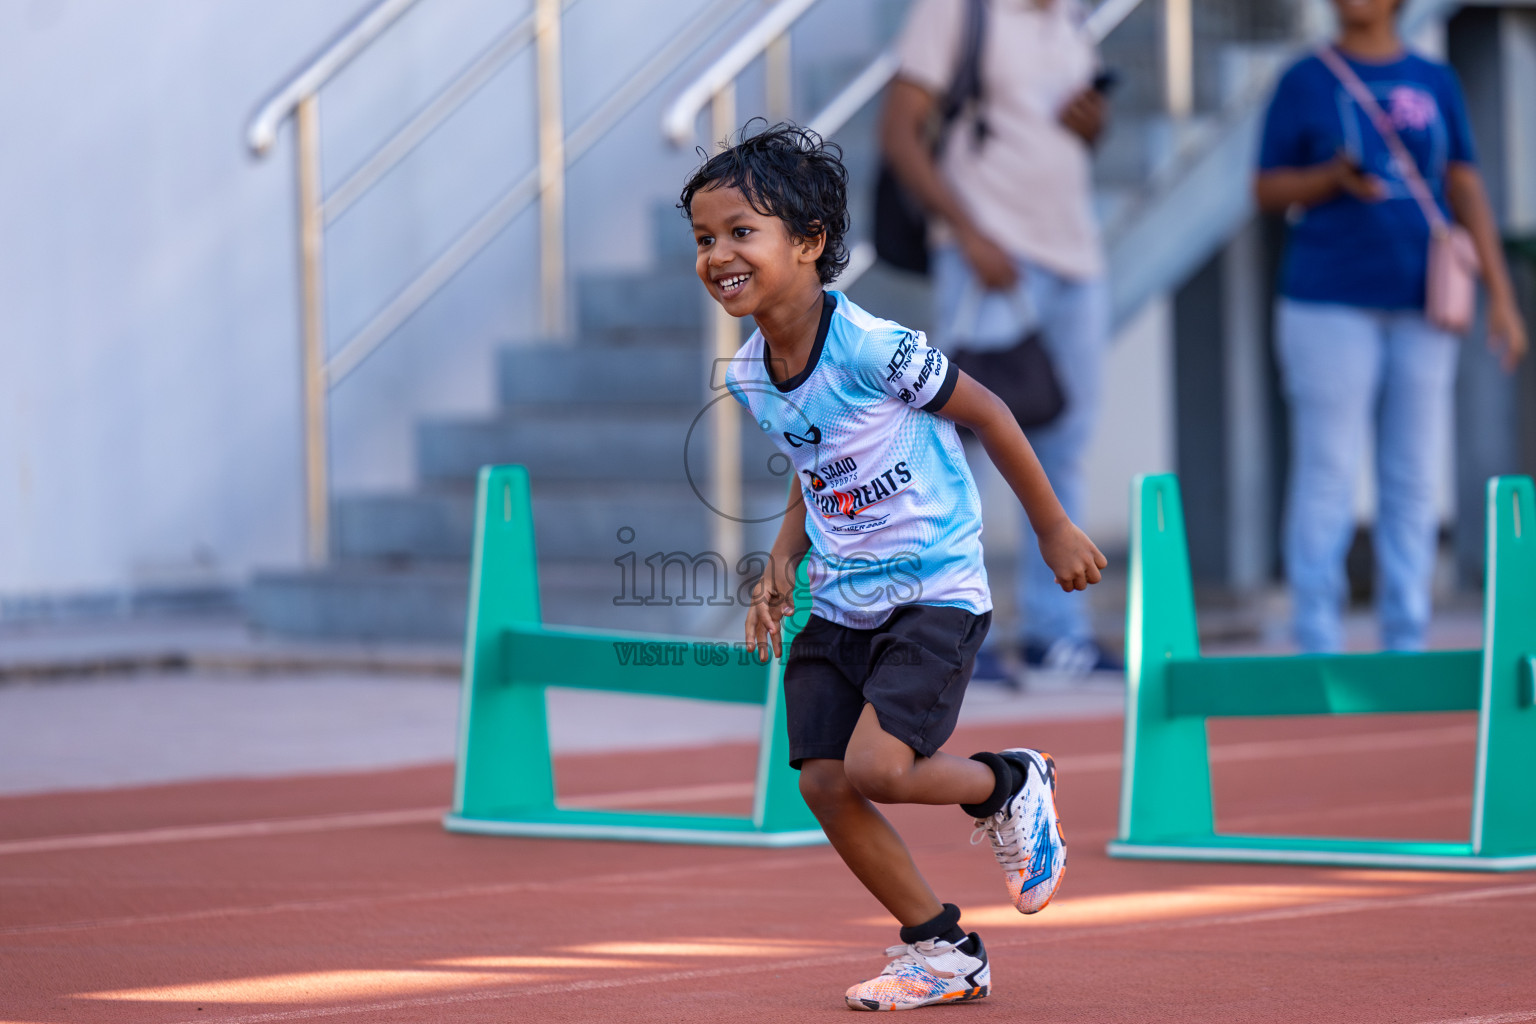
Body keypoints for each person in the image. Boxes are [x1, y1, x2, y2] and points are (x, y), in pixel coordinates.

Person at [680, 122, 1106, 1012]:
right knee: (824, 781)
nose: (718, 254)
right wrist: (781, 563)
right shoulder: (754, 371)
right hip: (840, 598)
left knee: (878, 768)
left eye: (740, 234)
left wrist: (1053, 528)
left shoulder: (874, 347)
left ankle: (1010, 780)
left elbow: (988, 413)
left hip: (933, 590)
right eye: (704, 239)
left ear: (810, 244)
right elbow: (814, 465)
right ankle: (942, 949)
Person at [1254, 0, 1527, 653]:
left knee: (1411, 473)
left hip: (1422, 300)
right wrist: (1328, 178)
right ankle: (1315, 633)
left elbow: (1466, 186)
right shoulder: (1304, 78)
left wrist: (1503, 295)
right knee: (1327, 469)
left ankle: (1407, 634)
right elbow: (1264, 189)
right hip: (1326, 301)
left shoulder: (1435, 78)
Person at [881, 0, 1116, 679]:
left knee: (1064, 444)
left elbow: (1060, 133)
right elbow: (900, 134)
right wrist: (968, 232)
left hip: (1076, 257)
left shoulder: (1068, 17)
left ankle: (1056, 632)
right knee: (961, 451)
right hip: (990, 260)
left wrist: (1091, 125)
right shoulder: (958, 10)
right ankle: (950, 636)